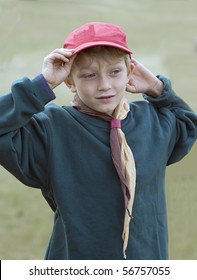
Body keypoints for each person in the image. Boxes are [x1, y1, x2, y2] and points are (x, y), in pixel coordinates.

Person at [0, 22, 196, 260]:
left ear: (129, 73)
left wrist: (157, 88)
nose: (104, 85)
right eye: (89, 75)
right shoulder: (51, 128)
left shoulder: (151, 121)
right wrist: (42, 85)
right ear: (70, 82)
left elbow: (188, 124)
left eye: (115, 72)